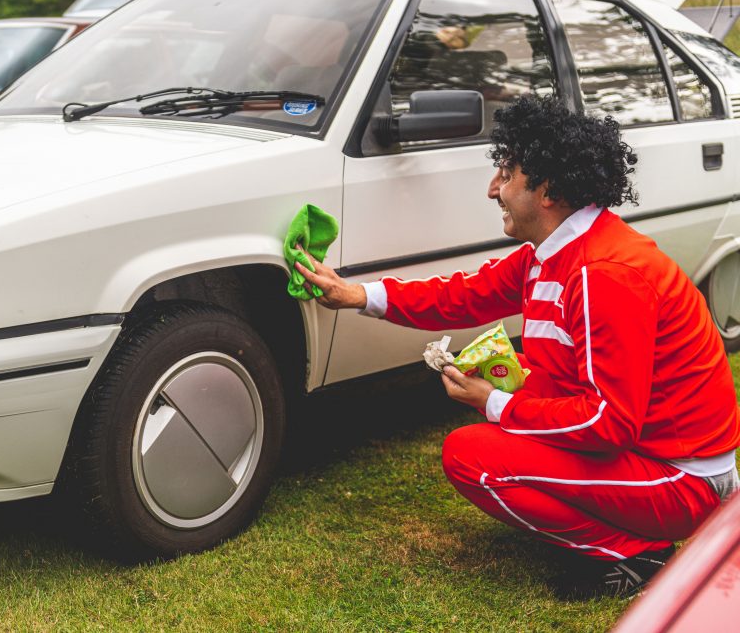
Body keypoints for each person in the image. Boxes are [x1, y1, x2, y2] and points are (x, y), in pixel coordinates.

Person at [295, 95, 740, 598]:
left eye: (506, 173)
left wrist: (495, 402)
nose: (493, 189)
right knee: (527, 382)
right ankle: (619, 530)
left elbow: (608, 424)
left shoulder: (602, 275)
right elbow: (462, 295)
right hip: (653, 458)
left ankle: (637, 553)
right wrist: (356, 294)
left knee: (471, 456)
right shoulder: (553, 252)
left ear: (547, 189)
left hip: (680, 481)